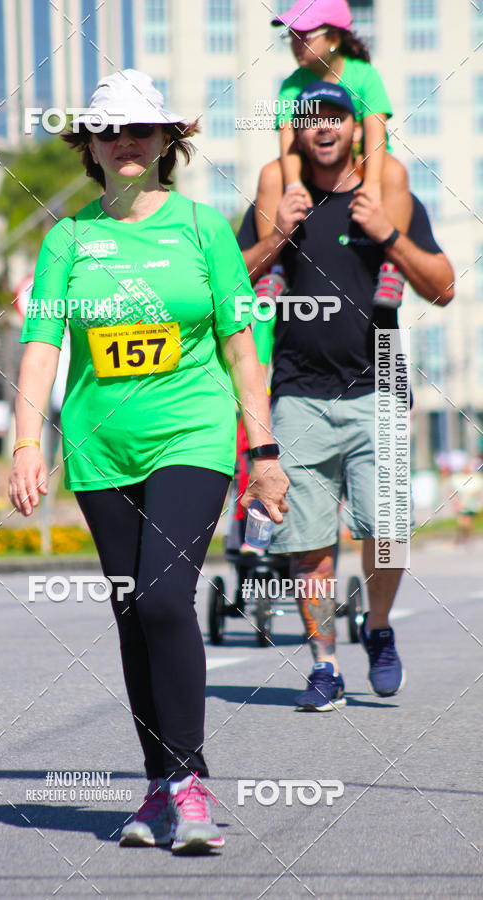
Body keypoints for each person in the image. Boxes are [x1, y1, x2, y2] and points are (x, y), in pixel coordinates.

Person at [8, 69, 289, 851]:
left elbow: (240, 348)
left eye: (139, 129)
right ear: (89, 147)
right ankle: (160, 785)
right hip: (101, 448)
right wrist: (28, 443)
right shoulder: (67, 238)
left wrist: (262, 451)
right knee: (134, 615)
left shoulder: (203, 231)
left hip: (191, 436)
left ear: (168, 141)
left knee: (166, 600)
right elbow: (40, 350)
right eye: (108, 131)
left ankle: (190, 782)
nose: (124, 142)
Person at [242, 81, 454, 711]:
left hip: (380, 384)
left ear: (355, 127)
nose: (324, 126)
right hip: (300, 391)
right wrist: (280, 234)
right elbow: (227, 284)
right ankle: (325, 664)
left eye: (335, 114)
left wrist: (389, 233)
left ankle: (379, 629)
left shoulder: (386, 193)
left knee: (385, 533)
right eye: (310, 118)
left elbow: (443, 288)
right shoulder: (284, 193)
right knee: (307, 542)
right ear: (298, 132)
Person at [256, 0, 412, 307]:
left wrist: (373, 185)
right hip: (311, 164)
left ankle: (392, 267)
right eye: (293, 36)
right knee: (271, 175)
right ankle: (272, 266)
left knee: (394, 171)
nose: (296, 44)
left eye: (306, 35)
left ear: (335, 39)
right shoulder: (291, 86)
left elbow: (376, 134)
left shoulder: (364, 75)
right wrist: (293, 187)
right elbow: (288, 143)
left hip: (363, 162)